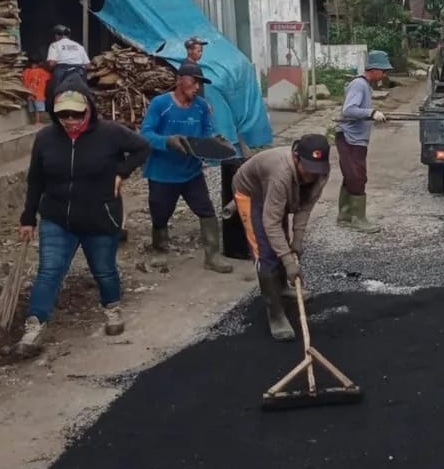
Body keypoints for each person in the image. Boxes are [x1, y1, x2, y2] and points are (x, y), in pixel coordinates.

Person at [16, 75, 151, 356]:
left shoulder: (110, 133)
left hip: (99, 217)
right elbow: (35, 180)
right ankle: (34, 325)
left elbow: (142, 148)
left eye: (76, 114)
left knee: (103, 269)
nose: (70, 120)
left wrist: (121, 172)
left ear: (88, 108)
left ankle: (112, 308)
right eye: (63, 114)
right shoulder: (45, 138)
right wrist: (28, 218)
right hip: (56, 218)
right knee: (49, 271)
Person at [231, 134, 330, 340]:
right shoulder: (280, 174)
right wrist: (288, 260)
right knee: (265, 250)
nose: (312, 176)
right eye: (308, 169)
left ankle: (283, 288)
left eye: (316, 170)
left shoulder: (320, 173)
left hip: (275, 194)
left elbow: (304, 208)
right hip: (251, 192)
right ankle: (275, 313)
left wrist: (297, 241)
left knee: (281, 241)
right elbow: (271, 222)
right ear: (296, 157)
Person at [139, 62, 233, 273]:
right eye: (194, 81)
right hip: (162, 173)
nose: (197, 87)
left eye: (200, 83)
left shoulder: (201, 106)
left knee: (206, 210)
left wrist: (215, 143)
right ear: (179, 79)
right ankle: (160, 251)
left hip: (191, 172)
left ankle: (212, 255)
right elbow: (145, 134)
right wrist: (167, 141)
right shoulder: (160, 104)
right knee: (160, 213)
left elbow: (206, 133)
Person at [334, 50, 392, 234]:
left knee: (350, 175)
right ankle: (358, 218)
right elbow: (349, 109)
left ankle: (344, 214)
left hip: (356, 139)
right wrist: (371, 113)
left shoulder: (365, 85)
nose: (385, 74)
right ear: (374, 70)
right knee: (358, 177)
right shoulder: (359, 85)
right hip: (350, 138)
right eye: (383, 71)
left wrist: (373, 113)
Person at [45, 25, 90, 101]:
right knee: (86, 94)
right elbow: (88, 65)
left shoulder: (55, 45)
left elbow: (52, 63)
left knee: (53, 93)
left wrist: (47, 68)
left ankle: (52, 108)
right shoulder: (79, 46)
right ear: (68, 35)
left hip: (61, 72)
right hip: (79, 71)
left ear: (57, 35)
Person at [22, 57, 51, 126]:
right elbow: (49, 77)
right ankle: (38, 122)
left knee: (32, 109)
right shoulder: (42, 71)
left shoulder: (26, 71)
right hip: (39, 94)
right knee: (39, 109)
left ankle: (33, 121)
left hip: (29, 93)